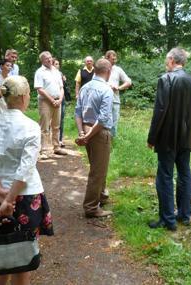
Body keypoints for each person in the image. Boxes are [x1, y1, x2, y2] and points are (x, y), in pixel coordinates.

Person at [0, 76, 54, 285]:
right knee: (23, 255)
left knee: (2, 249)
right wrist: (10, 200)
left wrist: (0, 192)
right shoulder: (30, 127)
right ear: (22, 97)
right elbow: (25, 169)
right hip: (26, 196)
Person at [147, 48, 191, 231]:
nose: (166, 63)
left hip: (168, 137)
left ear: (171, 60)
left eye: (166, 60)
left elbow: (160, 111)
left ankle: (167, 220)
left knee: (164, 175)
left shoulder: (166, 79)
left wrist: (152, 137)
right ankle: (184, 215)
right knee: (185, 173)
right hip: (187, 137)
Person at [75, 58, 114, 218]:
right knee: (98, 171)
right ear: (108, 71)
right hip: (99, 132)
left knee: (99, 166)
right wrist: (89, 135)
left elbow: (78, 112)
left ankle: (102, 196)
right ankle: (91, 207)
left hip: (86, 129)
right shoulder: (106, 90)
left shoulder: (85, 87)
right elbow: (103, 118)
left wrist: (82, 134)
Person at [34, 51, 68, 159]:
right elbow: (39, 89)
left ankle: (56, 147)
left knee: (56, 126)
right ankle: (44, 150)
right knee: (44, 126)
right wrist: (52, 100)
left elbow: (61, 87)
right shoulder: (39, 72)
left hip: (58, 101)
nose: (49, 60)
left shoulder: (56, 71)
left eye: (50, 57)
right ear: (42, 60)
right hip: (45, 101)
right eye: (46, 58)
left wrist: (60, 99)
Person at [104, 50, 131, 137]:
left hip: (115, 100)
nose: (114, 60)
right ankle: (102, 143)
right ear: (107, 58)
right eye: (112, 58)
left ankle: (111, 145)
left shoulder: (118, 69)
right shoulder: (101, 69)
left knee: (114, 124)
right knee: (103, 123)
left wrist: (118, 88)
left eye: (115, 58)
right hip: (103, 100)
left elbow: (128, 82)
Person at [52, 57, 70, 147]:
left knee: (61, 119)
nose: (57, 66)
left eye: (58, 64)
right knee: (51, 120)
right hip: (51, 98)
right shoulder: (48, 74)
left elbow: (63, 87)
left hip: (61, 99)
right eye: (55, 64)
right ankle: (50, 140)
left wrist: (64, 80)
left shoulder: (60, 74)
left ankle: (59, 139)